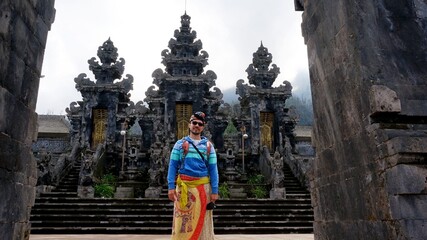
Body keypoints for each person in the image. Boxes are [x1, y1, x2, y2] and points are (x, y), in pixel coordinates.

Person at [167, 111, 219, 240]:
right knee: (182, 222)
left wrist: (215, 190)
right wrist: (171, 187)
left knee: (204, 223)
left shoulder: (208, 146)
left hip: (203, 187)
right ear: (189, 125)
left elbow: (213, 169)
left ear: (203, 126)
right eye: (194, 123)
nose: (196, 126)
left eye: (200, 124)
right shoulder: (180, 144)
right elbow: (172, 166)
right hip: (184, 188)